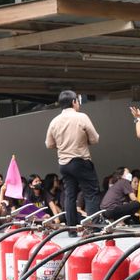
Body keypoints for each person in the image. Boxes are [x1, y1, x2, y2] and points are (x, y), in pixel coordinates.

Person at [46, 90, 101, 234]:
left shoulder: (54, 121)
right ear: (74, 102)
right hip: (81, 160)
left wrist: (62, 145)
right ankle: (92, 228)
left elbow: (49, 144)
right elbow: (95, 138)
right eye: (78, 101)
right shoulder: (81, 117)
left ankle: (71, 229)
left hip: (64, 164)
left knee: (70, 195)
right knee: (91, 193)